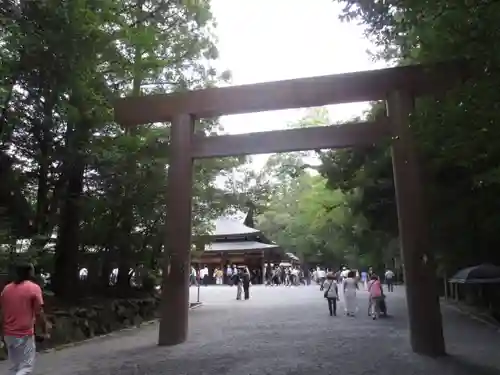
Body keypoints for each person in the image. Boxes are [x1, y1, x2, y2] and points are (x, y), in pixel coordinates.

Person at [1, 263, 51, 375]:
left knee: (15, 367)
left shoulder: (7, 289)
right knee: (26, 367)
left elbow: (3, 312)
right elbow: (39, 312)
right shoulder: (33, 288)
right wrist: (45, 330)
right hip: (24, 334)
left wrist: (1, 334)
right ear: (30, 273)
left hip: (8, 334)